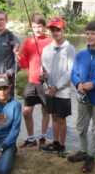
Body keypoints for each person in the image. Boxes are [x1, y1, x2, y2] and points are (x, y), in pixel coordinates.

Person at [68, 20, 95, 173]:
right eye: (87, 33)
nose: (89, 36)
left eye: (93, 34)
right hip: (82, 98)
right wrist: (78, 84)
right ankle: (83, 151)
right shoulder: (80, 55)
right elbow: (74, 73)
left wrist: (94, 84)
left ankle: (91, 157)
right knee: (80, 128)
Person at [39, 17, 75, 156]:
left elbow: (70, 72)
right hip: (49, 90)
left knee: (61, 119)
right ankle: (54, 142)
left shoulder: (69, 48)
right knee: (53, 117)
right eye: (52, 30)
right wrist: (44, 77)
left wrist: (56, 87)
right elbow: (45, 68)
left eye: (58, 29)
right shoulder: (46, 49)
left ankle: (62, 145)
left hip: (62, 92)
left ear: (63, 30)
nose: (55, 32)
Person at [15, 13, 51, 148]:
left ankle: (43, 137)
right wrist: (18, 55)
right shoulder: (28, 42)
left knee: (45, 111)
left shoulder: (49, 42)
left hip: (45, 83)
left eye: (40, 26)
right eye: (35, 27)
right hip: (32, 82)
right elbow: (24, 64)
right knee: (26, 112)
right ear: (31, 27)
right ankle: (31, 138)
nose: (37, 29)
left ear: (44, 27)